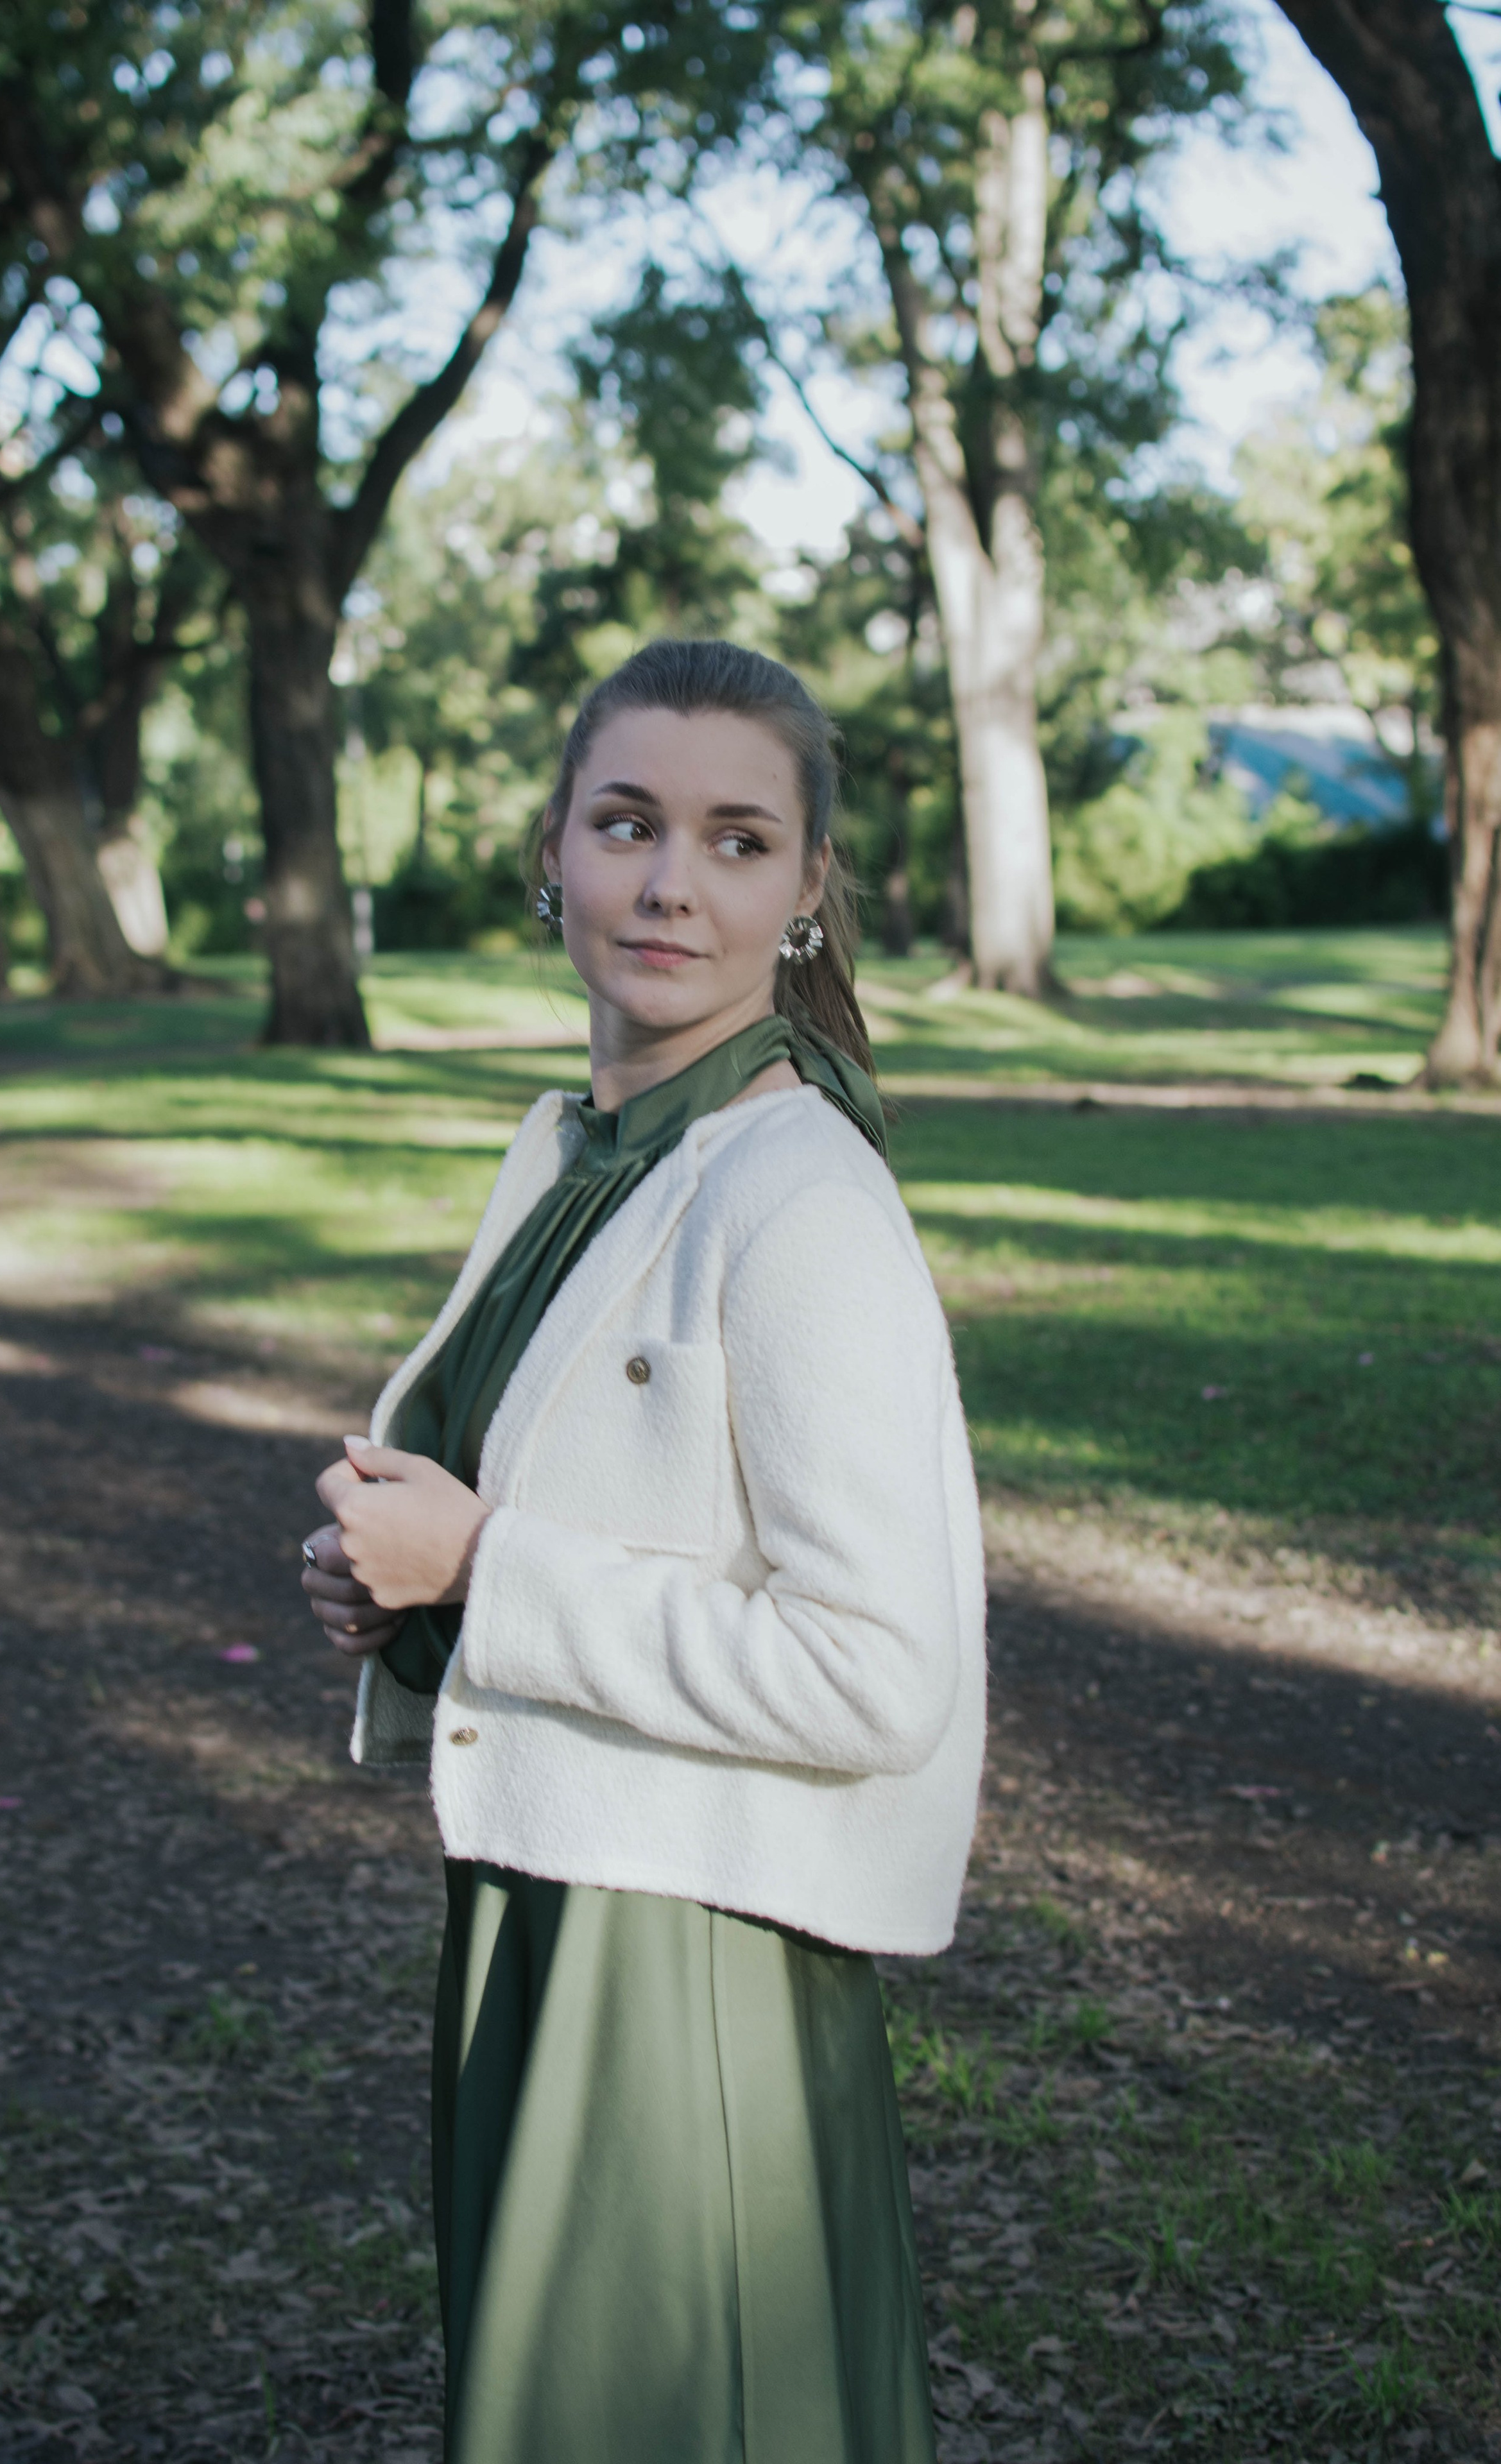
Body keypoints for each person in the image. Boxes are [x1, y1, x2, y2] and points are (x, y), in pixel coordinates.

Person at [299, 638, 986, 2464]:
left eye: (738, 841)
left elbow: (876, 1676)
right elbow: (589, 1504)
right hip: (550, 1888)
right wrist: (405, 1593)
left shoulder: (797, 1197)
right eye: (628, 824)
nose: (673, 882)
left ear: (809, 886)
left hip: (685, 1952)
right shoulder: (582, 1153)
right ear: (554, 851)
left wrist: (489, 1570)